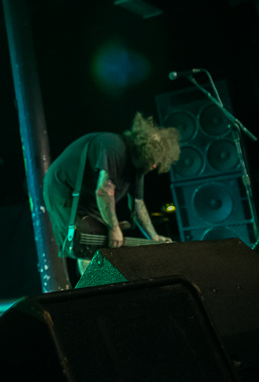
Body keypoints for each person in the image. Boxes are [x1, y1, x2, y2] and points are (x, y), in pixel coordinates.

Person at [43, 113, 181, 276]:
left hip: (88, 196)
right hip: (63, 187)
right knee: (87, 241)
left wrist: (154, 236)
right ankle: (94, 290)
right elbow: (103, 191)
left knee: (98, 240)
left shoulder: (139, 167)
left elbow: (138, 204)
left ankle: (100, 286)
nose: (155, 165)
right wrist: (114, 227)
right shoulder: (114, 148)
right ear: (144, 151)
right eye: (154, 161)